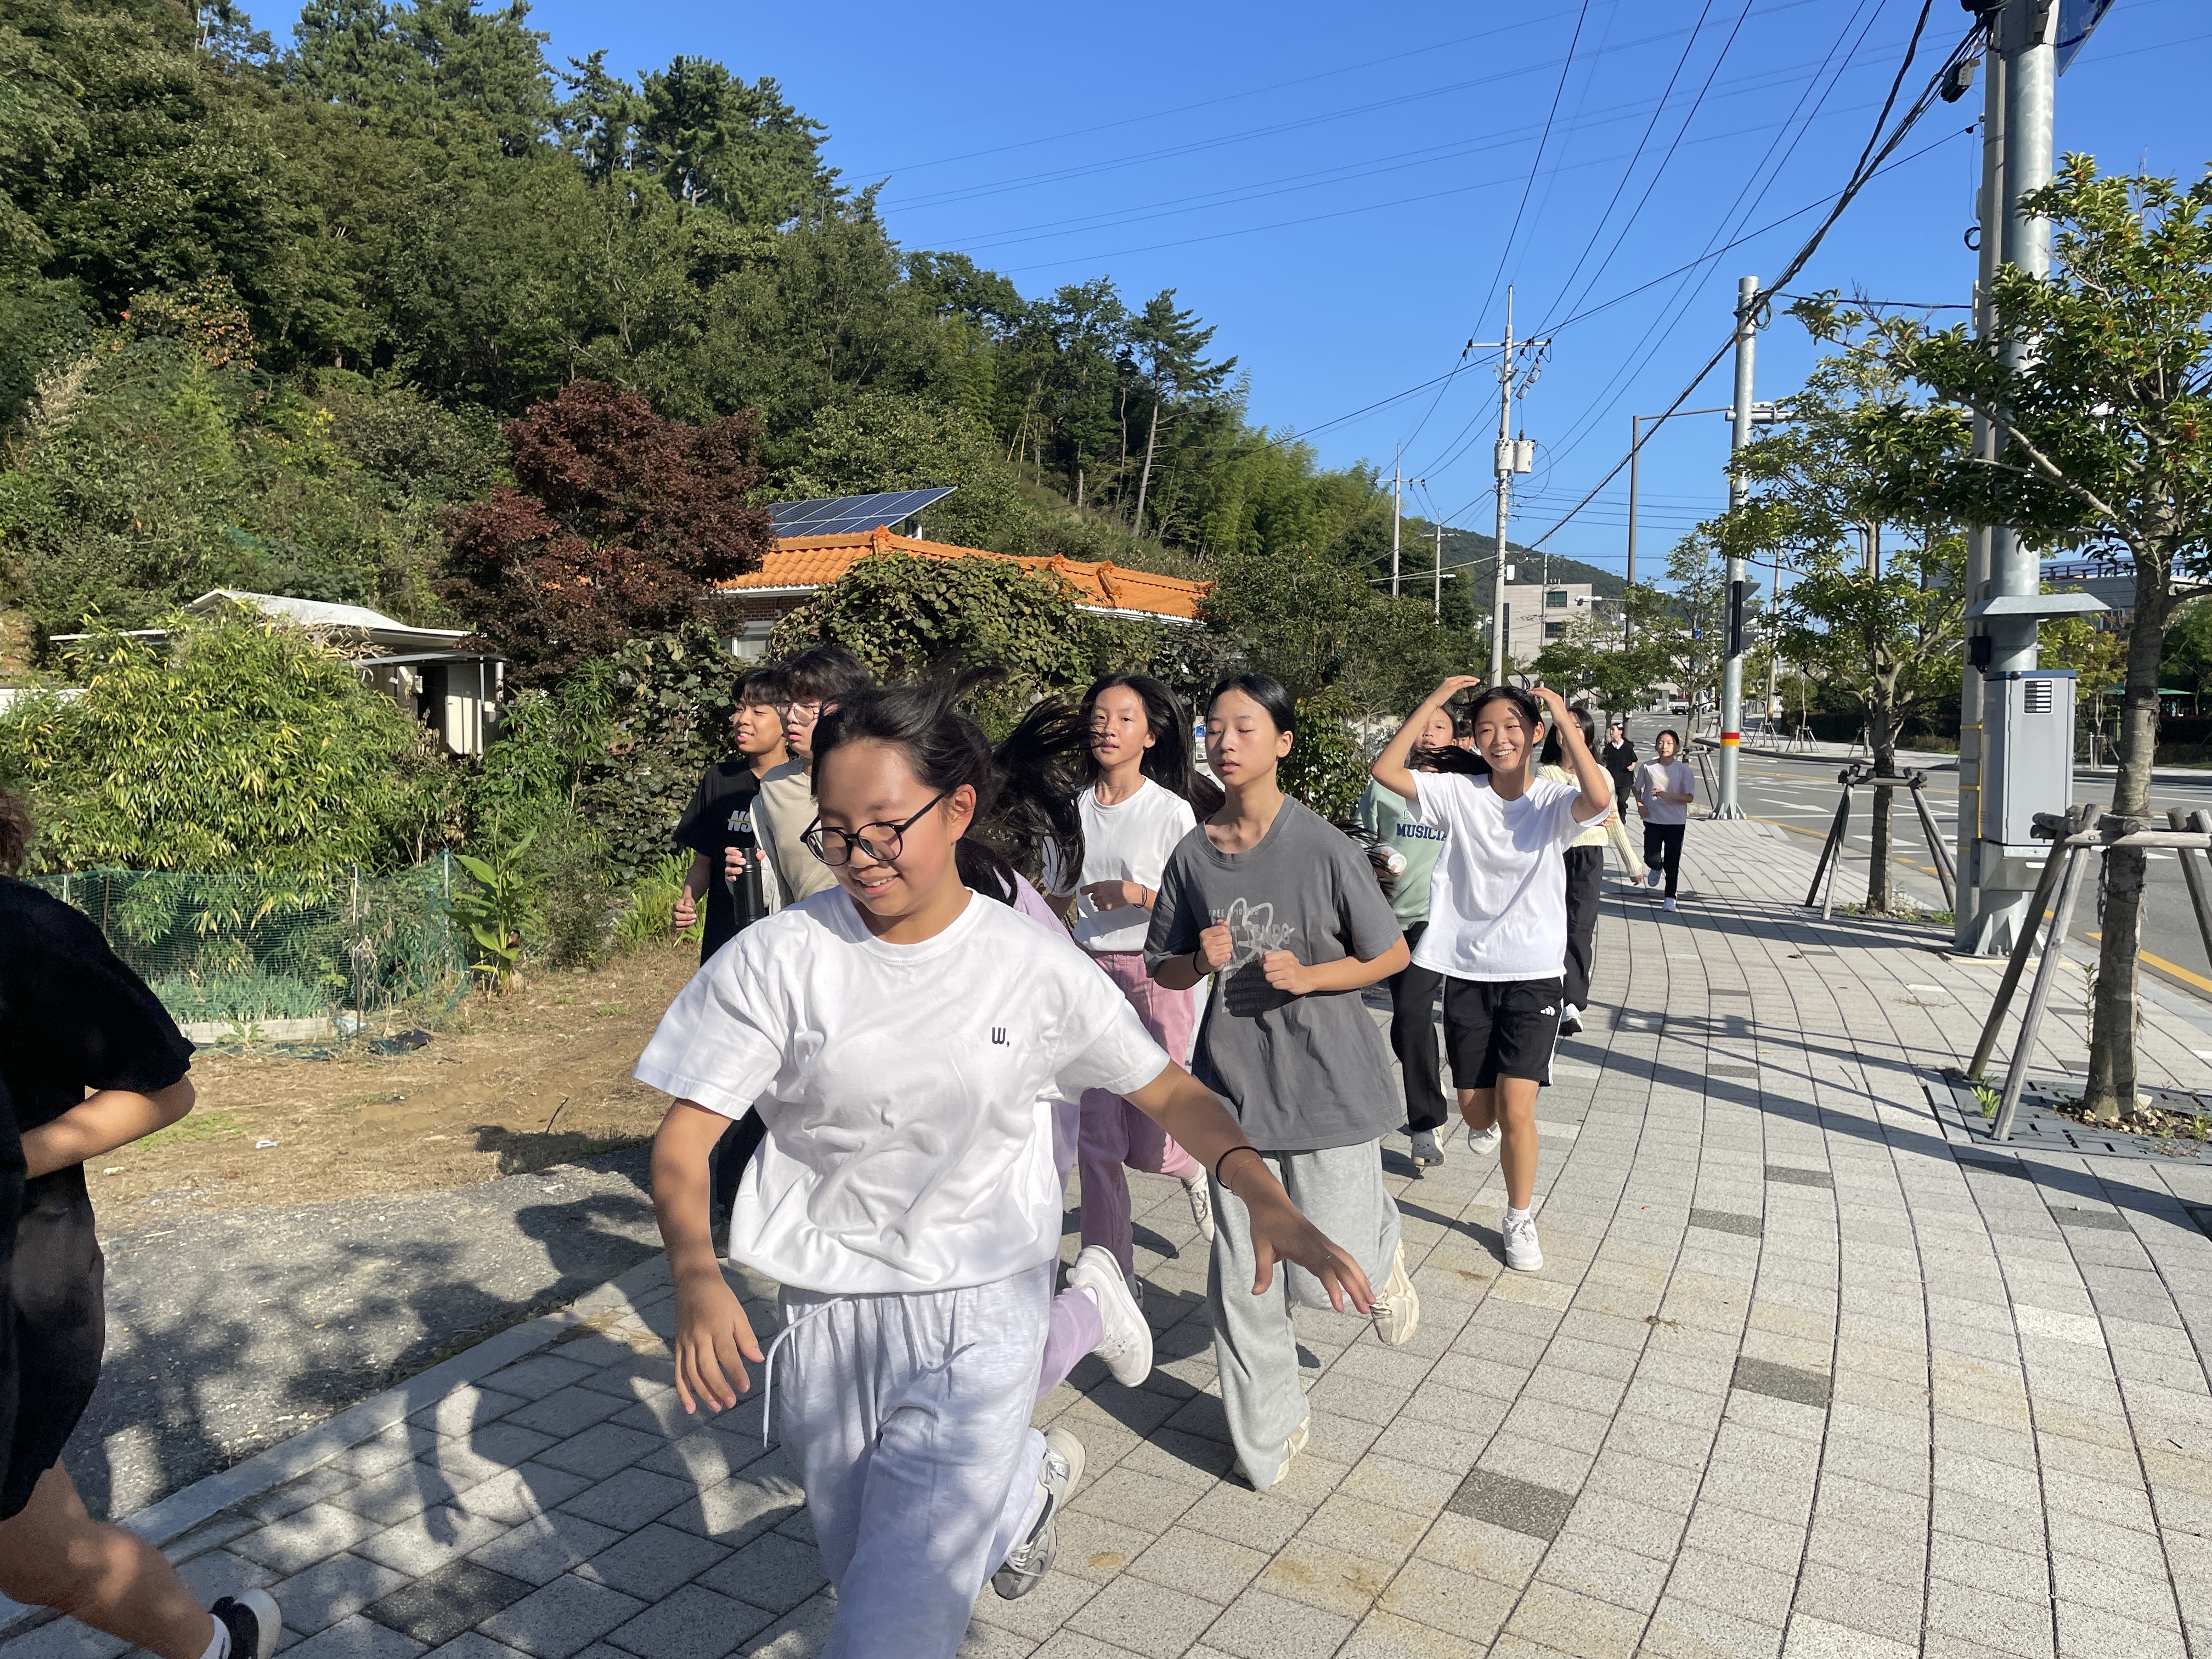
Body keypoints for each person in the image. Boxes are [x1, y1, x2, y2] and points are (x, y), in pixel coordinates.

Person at [635, 674, 1373, 1656]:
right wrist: (695, 1272)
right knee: (861, 1568)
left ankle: (1007, 1475)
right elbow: (685, 1136)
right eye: (836, 833)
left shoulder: (1029, 964)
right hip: (826, 1312)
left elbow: (1169, 1091)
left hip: (983, 1312)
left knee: (892, 1620)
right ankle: (1023, 1491)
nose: (859, 858)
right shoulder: (778, 958)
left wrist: (1260, 1186)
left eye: (886, 827)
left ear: (959, 808)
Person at [0, 788, 281, 1659]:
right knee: (43, 1558)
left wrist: (9, 1157)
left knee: (48, 1563)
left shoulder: (25, 935)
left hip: (13, 1301)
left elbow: (163, 1090)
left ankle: (212, 1647)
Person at [1146, 674, 1419, 1492]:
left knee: (1323, 1269)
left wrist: (1312, 976)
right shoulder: (1192, 855)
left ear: (1283, 743)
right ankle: (1269, 1431)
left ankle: (1382, 1237)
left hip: (1330, 1086)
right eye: (1213, 730)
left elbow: (1392, 956)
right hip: (1233, 1096)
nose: (1225, 743)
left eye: (1245, 727)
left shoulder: (1326, 848)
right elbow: (1163, 961)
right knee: (1246, 1277)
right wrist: (1201, 960)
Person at [1370, 679, 1612, 1276]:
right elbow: (1385, 770)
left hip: (1533, 974)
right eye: (1484, 729)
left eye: (1512, 727)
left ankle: (1519, 1216)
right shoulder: (1459, 793)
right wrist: (1433, 699)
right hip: (1467, 969)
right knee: (1478, 1114)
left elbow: (1599, 797)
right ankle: (1492, 1121)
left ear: (1534, 735)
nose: (1499, 738)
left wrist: (1563, 717)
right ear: (1472, 739)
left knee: (1517, 1108)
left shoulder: (1554, 804)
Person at [1049, 675, 1224, 1299]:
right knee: (1097, 1138)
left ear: (1150, 736)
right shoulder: (1070, 808)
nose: (1106, 727)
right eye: (1099, 716)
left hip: (1156, 977)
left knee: (1150, 1143)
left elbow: (1196, 904)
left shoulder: (1170, 811)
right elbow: (1057, 892)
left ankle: (1193, 1165)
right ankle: (1113, 1271)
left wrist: (1137, 896)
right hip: (1088, 979)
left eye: (1124, 719)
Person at [1355, 702, 1458, 1170]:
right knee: (1404, 1020)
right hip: (1383, 918)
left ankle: (1425, 1123)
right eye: (1424, 726)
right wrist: (1375, 859)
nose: (1430, 735)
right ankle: (1426, 1091)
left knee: (1414, 1013)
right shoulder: (1384, 789)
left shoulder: (1461, 792)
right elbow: (1359, 841)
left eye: (1441, 727)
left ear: (1456, 738)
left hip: (1432, 923)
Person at [671, 665, 791, 960]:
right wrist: (688, 900)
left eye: (758, 713)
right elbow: (704, 862)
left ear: (788, 721)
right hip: (726, 941)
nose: (742, 720)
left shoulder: (804, 784)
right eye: (739, 709)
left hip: (786, 940)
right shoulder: (719, 779)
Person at [752, 643, 874, 907]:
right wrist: (743, 876)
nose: (792, 716)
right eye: (786, 704)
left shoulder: (880, 776)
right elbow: (775, 886)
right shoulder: (773, 787)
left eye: (807, 705)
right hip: (810, 936)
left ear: (843, 708)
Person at [1538, 709, 1613, 1038]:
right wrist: (1591, 813)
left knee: (1581, 926)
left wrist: (1634, 865)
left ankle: (1573, 1002)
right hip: (1555, 853)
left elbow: (1613, 820)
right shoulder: (1545, 773)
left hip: (1590, 856)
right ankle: (1551, 991)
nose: (1567, 733)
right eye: (1561, 727)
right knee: (1552, 923)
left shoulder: (1602, 774)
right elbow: (1563, 807)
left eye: (1574, 727)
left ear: (1586, 735)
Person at [1637, 729, 1695, 911]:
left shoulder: (1684, 771)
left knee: (1673, 861)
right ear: (1656, 746)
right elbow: (1637, 788)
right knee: (1650, 857)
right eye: (1661, 743)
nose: (1665, 746)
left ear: (1677, 747)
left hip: (1676, 823)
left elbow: (1689, 797)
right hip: (1653, 819)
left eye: (1669, 743)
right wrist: (1640, 805)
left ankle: (1670, 897)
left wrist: (1667, 795)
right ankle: (1656, 867)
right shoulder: (1647, 767)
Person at [1600, 719, 1639, 812]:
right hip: (1612, 779)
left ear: (1620, 732)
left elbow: (1634, 760)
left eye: (1613, 730)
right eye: (1611, 730)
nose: (1611, 732)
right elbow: (1604, 761)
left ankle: (1622, 818)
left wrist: (1632, 767)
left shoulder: (1627, 747)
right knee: (1611, 802)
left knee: (1622, 801)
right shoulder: (1609, 748)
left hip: (1625, 780)